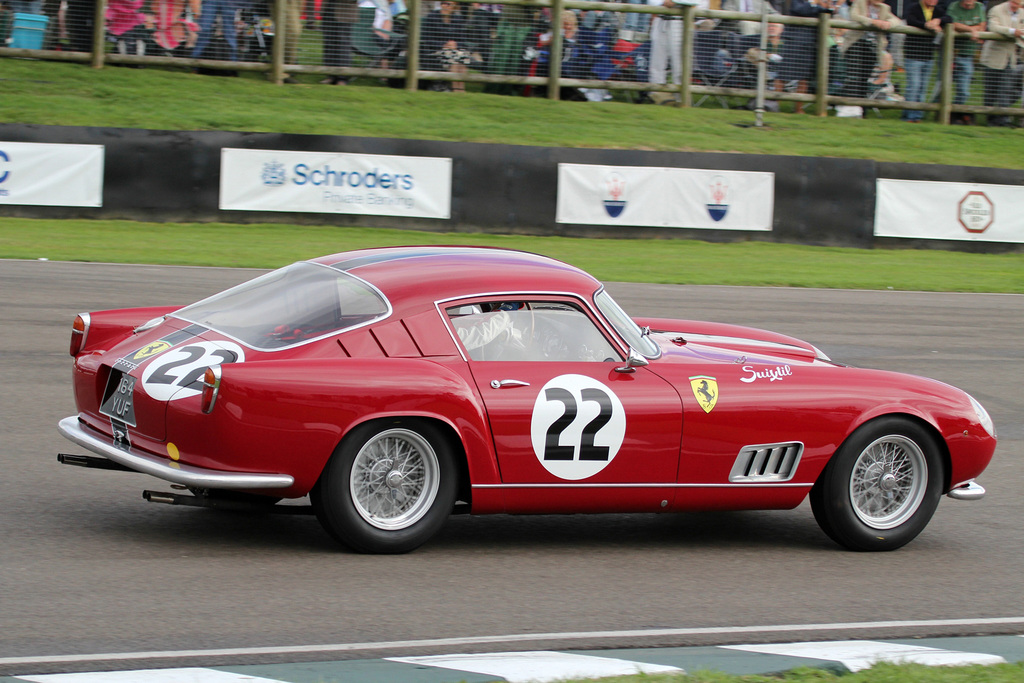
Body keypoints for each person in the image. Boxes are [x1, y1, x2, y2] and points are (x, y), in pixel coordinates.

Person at [776, 0, 835, 113]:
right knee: (783, 74)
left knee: (804, 78)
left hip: (810, 43)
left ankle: (798, 109)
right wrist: (816, 4)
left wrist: (824, 7)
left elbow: (828, 12)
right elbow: (799, 9)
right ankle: (774, 105)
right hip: (793, 41)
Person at [901, 0, 949, 122]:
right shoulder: (914, 8)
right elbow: (910, 20)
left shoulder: (937, 10)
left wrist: (938, 21)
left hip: (928, 55)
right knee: (914, 86)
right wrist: (927, 25)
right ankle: (909, 115)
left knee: (923, 87)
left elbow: (949, 18)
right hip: (913, 55)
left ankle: (917, 115)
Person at [978, 0, 1023, 126]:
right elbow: (993, 27)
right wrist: (1013, 32)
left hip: (1011, 57)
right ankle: (991, 120)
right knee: (991, 89)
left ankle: (1003, 120)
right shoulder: (997, 10)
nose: (1016, 6)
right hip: (993, 56)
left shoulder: (1022, 13)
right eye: (1014, 2)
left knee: (1006, 89)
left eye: (1019, 4)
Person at [842, 0, 896, 99]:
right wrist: (873, 21)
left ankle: (862, 105)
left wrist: (888, 23)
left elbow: (896, 20)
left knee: (865, 77)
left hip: (873, 47)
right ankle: (850, 105)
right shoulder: (859, 2)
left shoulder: (884, 8)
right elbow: (854, 16)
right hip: (856, 44)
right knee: (854, 76)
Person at [944, 0, 985, 123]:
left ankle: (954, 114)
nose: (969, 2)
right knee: (941, 87)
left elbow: (982, 25)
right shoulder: (954, 6)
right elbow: (953, 24)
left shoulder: (979, 7)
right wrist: (972, 30)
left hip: (968, 54)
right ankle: (939, 114)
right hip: (951, 53)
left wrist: (971, 29)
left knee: (964, 91)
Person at [421, 0, 471, 91]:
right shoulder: (432, 17)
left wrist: (456, 44)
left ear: (454, 6)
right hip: (435, 51)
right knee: (454, 57)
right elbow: (426, 39)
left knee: (463, 56)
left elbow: (463, 40)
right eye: (443, 3)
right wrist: (444, 45)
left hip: (454, 50)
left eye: (448, 4)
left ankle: (461, 89)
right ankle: (455, 88)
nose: (445, 6)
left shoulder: (458, 19)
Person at [320, 0, 358, 84]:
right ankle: (331, 75)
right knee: (329, 44)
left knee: (343, 44)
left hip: (344, 13)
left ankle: (342, 77)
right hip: (329, 10)